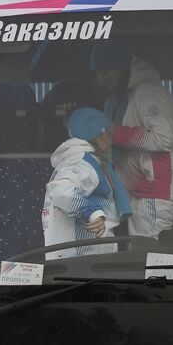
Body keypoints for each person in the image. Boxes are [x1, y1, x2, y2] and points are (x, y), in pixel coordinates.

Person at [91, 46, 173, 237]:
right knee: (141, 254)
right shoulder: (133, 94)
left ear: (121, 69)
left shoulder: (148, 92)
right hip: (147, 192)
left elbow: (163, 137)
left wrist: (114, 134)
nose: (100, 79)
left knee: (147, 256)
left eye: (104, 72)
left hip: (156, 191)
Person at [42, 108, 131, 258]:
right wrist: (93, 213)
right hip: (84, 260)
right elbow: (60, 190)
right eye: (108, 133)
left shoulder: (76, 160)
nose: (110, 140)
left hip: (79, 258)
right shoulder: (82, 162)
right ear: (96, 134)